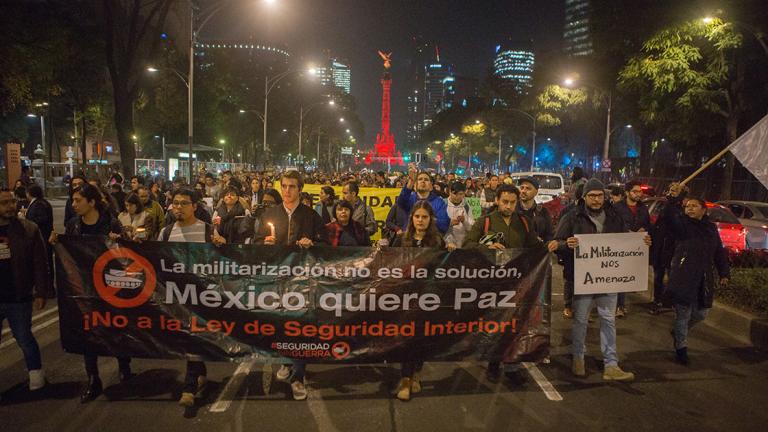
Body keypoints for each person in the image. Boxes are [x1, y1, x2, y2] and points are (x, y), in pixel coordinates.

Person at [554, 178, 650, 382]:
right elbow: (556, 242)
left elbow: (624, 239)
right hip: (582, 278)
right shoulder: (572, 217)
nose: (596, 200)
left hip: (608, 279)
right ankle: (578, 358)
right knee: (580, 320)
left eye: (599, 195)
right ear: (584, 197)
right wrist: (566, 244)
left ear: (604, 196)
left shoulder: (614, 217)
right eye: (592, 196)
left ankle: (611, 364)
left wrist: (640, 242)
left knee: (608, 320)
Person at [463, 184, 557, 382]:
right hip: (492, 283)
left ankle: (512, 365)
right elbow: (467, 245)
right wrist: (485, 246)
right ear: (497, 200)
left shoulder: (523, 222)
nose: (508, 206)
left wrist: (550, 245)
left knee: (514, 324)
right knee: (494, 324)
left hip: (517, 282)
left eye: (512, 202)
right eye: (505, 202)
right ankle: (493, 363)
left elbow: (535, 246)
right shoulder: (485, 222)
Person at [51, 183, 131, 403]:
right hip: (84, 287)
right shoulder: (73, 226)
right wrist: (57, 243)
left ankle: (124, 363)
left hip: (110, 286)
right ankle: (93, 378)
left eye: (78, 200)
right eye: (73, 200)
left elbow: (126, 254)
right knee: (88, 330)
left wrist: (119, 241)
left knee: (115, 326)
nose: (73, 204)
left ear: (92, 202)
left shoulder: (111, 223)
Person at [252, 170, 327, 401]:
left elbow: (325, 244)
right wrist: (264, 242)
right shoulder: (269, 214)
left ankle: (298, 377)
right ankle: (285, 360)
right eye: (284, 186)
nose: (287, 191)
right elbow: (255, 243)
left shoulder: (311, 216)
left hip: (303, 281)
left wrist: (312, 243)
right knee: (280, 324)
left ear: (300, 189)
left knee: (300, 328)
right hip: (276, 279)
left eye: (292, 186)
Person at [157, 188, 217, 416]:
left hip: (201, 298)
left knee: (194, 338)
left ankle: (190, 386)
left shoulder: (208, 231)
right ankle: (199, 372)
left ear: (195, 206)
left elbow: (221, 264)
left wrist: (220, 245)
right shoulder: (165, 233)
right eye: (175, 203)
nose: (178, 207)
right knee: (187, 340)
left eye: (183, 203)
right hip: (176, 298)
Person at [663, 184, 730, 365]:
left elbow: (718, 252)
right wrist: (673, 200)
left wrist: (724, 272)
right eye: (687, 206)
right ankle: (681, 348)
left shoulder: (710, 229)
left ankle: (678, 330)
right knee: (683, 314)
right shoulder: (683, 226)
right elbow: (668, 218)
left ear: (703, 210)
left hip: (703, 278)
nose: (689, 209)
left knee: (701, 313)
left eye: (694, 206)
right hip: (683, 275)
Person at [392, 201, 445, 401]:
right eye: (417, 217)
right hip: (405, 298)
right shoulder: (401, 241)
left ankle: (416, 374)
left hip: (428, 298)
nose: (420, 220)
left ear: (430, 219)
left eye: (424, 217)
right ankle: (405, 379)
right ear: (411, 219)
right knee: (406, 339)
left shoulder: (437, 241)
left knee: (422, 338)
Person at [0, 187, 50, 392]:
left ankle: (36, 376)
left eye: (12, 202)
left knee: (24, 337)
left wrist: (41, 291)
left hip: (18, 296)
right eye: (4, 203)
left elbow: (40, 263)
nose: (10, 206)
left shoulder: (28, 229)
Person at [612, 180, 652, 317]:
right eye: (635, 191)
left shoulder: (643, 208)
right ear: (627, 192)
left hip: (635, 250)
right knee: (619, 276)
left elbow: (648, 225)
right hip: (619, 247)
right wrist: (626, 231)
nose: (638, 194)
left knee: (625, 277)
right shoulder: (617, 207)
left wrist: (644, 230)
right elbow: (612, 225)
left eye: (640, 191)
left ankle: (620, 304)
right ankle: (618, 306)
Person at [396, 168, 450, 233]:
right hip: (410, 238)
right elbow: (400, 202)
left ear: (431, 186)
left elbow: (444, 225)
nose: (423, 181)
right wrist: (411, 181)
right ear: (415, 185)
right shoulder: (410, 199)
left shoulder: (439, 202)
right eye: (420, 179)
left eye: (426, 180)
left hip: (430, 239)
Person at [25, 185, 54, 292]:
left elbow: (42, 219)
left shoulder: (39, 204)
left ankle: (48, 289)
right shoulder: (39, 203)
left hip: (43, 237)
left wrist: (28, 220)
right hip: (42, 237)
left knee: (45, 263)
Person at [516, 176, 554, 242]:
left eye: (528, 188)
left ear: (536, 192)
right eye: (522, 188)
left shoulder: (542, 212)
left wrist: (541, 241)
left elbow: (550, 235)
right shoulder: (513, 210)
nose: (523, 191)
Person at [444, 181, 474, 251]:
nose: (457, 197)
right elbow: (437, 226)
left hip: (463, 246)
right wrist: (449, 223)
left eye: (460, 194)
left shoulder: (467, 207)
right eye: (455, 194)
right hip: (446, 246)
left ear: (464, 194)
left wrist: (464, 221)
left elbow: (471, 228)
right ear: (450, 192)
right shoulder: (443, 204)